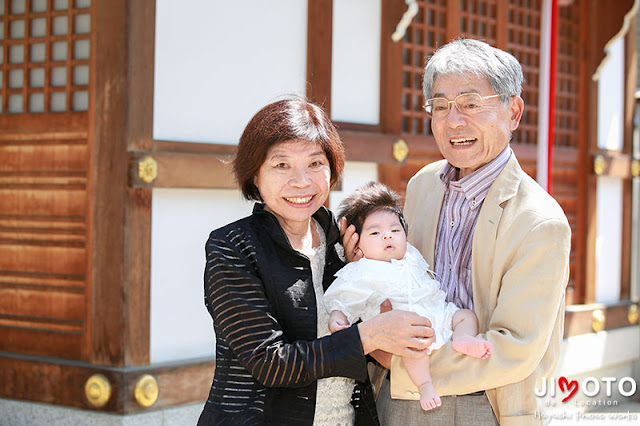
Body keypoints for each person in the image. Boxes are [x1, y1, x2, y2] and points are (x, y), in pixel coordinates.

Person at [342, 39, 571, 425]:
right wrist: (367, 267)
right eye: (441, 106)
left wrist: (397, 360)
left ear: (513, 111)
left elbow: (516, 347)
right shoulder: (422, 185)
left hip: (482, 404)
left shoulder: (539, 220)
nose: (454, 121)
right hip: (394, 398)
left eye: (470, 104)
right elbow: (403, 273)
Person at [198, 98, 434, 426]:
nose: (301, 181)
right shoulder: (234, 248)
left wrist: (359, 270)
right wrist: (368, 335)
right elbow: (270, 362)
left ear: (332, 169)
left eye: (314, 164)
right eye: (281, 165)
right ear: (255, 175)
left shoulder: (345, 241)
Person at [324, 182, 492, 411]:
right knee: (414, 349)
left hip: (438, 313)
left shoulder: (410, 255)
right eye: (375, 233)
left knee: (465, 315)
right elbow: (344, 295)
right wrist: (338, 317)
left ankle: (464, 339)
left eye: (395, 230)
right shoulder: (362, 269)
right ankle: (424, 385)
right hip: (406, 328)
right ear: (356, 242)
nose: (387, 237)